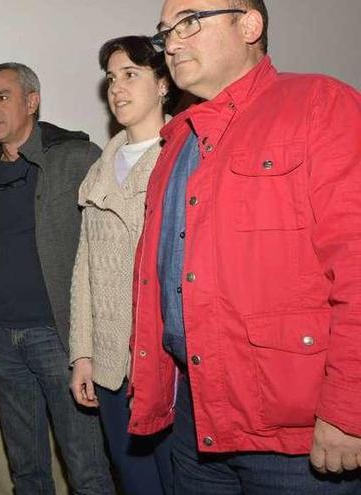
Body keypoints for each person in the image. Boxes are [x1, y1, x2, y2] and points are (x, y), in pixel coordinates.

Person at [129, 0, 361, 493]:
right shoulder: (177, 144)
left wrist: (349, 407)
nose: (171, 42)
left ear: (250, 25)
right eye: (165, 30)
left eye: (190, 21)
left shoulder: (319, 104)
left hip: (297, 432)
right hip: (195, 417)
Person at [0, 62, 115, 495]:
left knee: (87, 470)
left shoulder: (75, 158)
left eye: (2, 97)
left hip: (62, 338)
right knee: (27, 473)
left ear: (31, 102)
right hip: (2, 338)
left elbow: (107, 249)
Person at [69, 35, 175, 495]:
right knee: (133, 482)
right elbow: (84, 272)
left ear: (164, 84)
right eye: (112, 78)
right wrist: (82, 354)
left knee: (177, 481)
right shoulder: (100, 167)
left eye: (131, 75)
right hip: (113, 364)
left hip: (165, 363)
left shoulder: (180, 155)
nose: (117, 88)